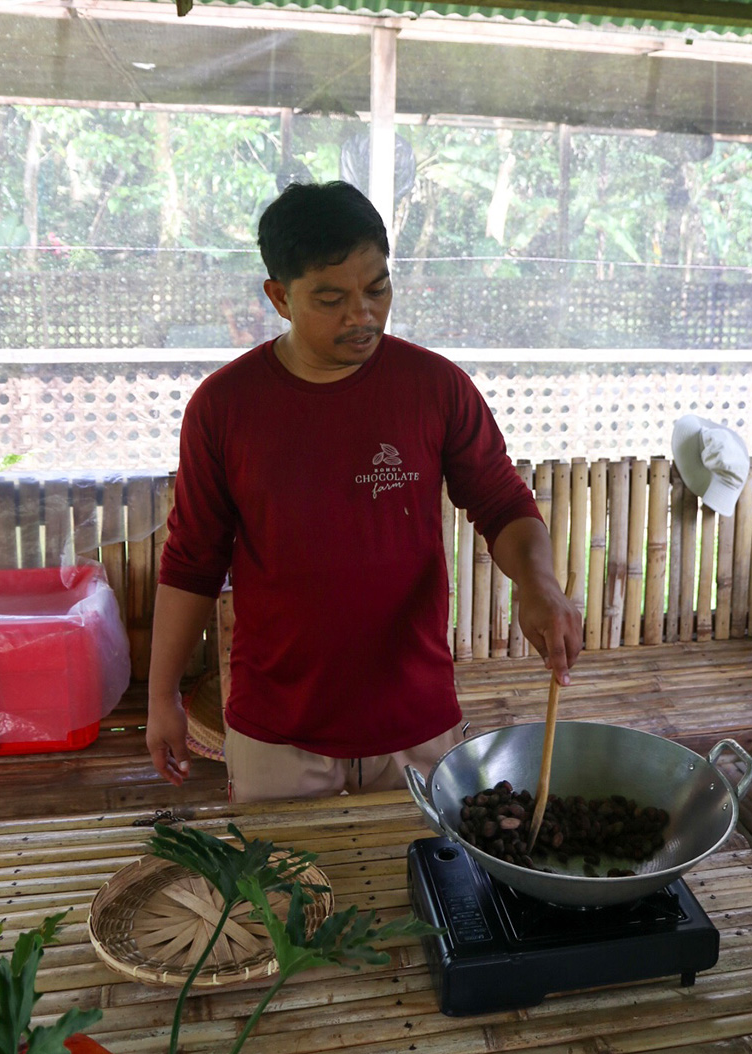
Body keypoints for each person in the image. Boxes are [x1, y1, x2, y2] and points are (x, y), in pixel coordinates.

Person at [146, 181, 582, 802]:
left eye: (377, 289)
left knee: (428, 864)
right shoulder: (223, 408)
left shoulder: (434, 387)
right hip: (278, 725)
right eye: (331, 299)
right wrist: (161, 695)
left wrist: (539, 584)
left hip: (416, 718)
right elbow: (193, 560)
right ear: (279, 297)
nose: (363, 315)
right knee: (279, 872)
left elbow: (502, 502)